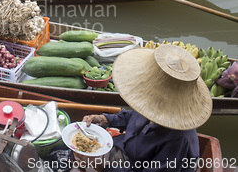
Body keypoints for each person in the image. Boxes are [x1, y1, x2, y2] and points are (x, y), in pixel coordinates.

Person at [74, 44, 212, 172]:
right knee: (70, 150)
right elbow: (132, 117)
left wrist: (102, 167)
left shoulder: (179, 141)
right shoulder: (150, 104)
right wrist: (105, 119)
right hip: (122, 149)